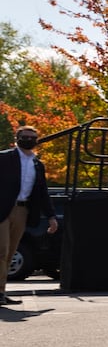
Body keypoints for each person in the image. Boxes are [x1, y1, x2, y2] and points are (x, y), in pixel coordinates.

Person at [1, 126, 58, 306]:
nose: (28, 140)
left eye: (32, 137)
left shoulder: (37, 164)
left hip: (22, 211)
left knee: (10, 253)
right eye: (24, 136)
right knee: (1, 250)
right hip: (2, 210)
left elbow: (42, 193)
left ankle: (1, 292)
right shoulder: (4, 158)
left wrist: (51, 216)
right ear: (17, 138)